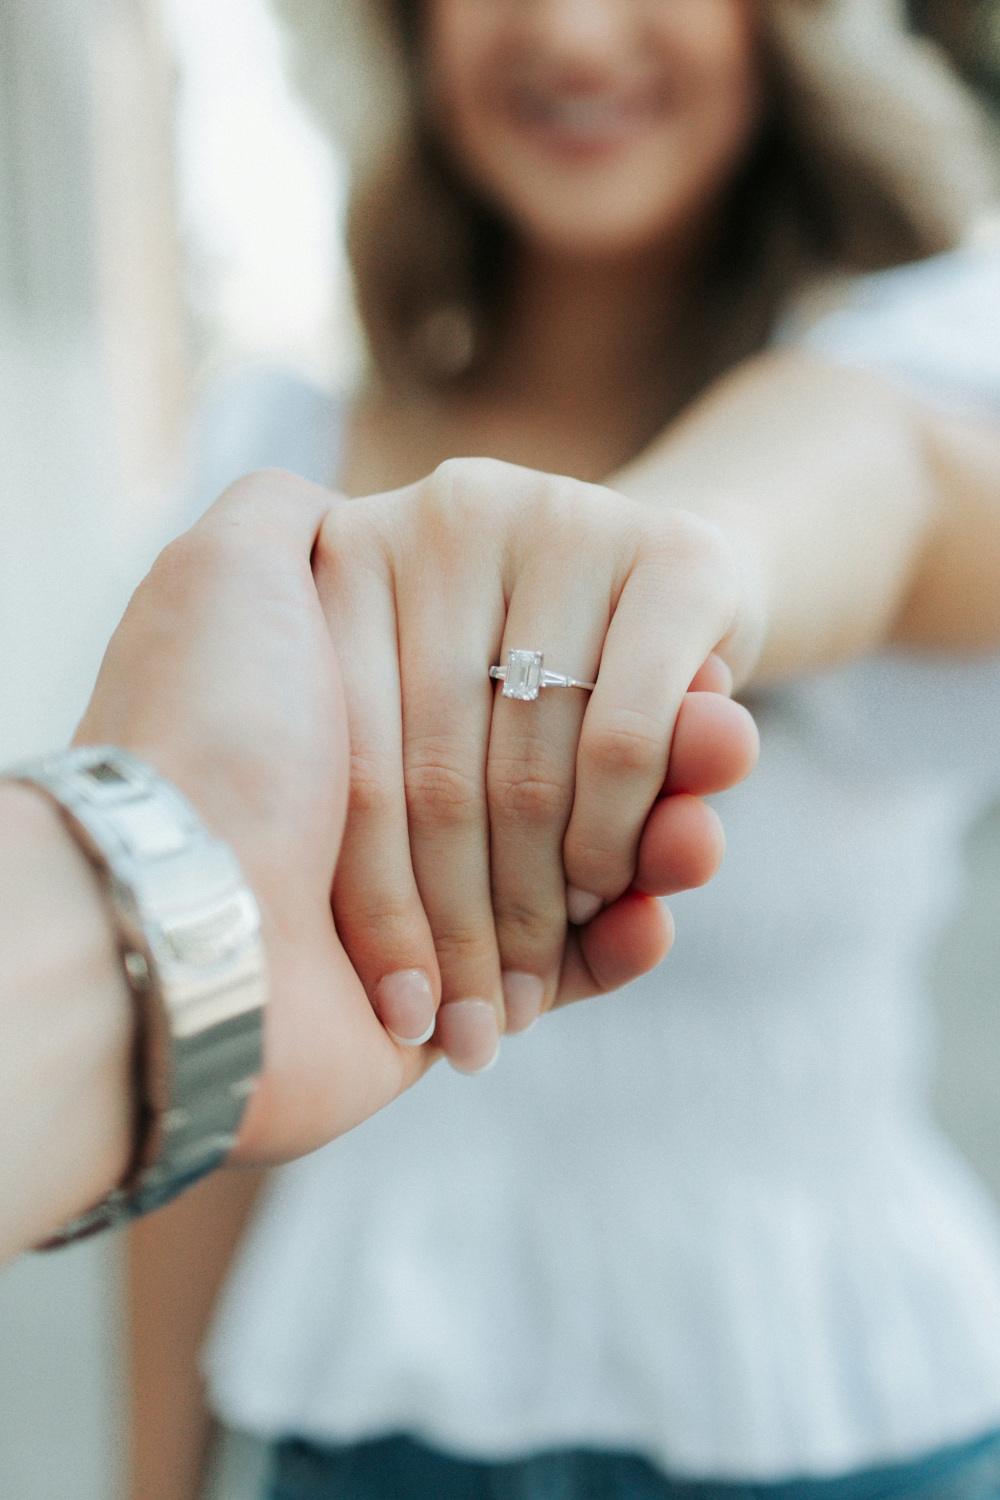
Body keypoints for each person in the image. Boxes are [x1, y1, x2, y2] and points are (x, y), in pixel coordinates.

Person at [131, 1, 1000, 1497]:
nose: (579, 33)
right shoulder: (268, 469)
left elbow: (878, 470)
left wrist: (684, 563)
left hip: (836, 1423)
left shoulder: (920, 360)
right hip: (369, 1430)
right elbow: (202, 1030)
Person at [0, 470, 752, 1266]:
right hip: (333, 1311)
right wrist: (206, 854)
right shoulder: (285, 450)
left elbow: (866, 468)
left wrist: (688, 561)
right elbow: (202, 1140)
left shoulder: (864, 365)